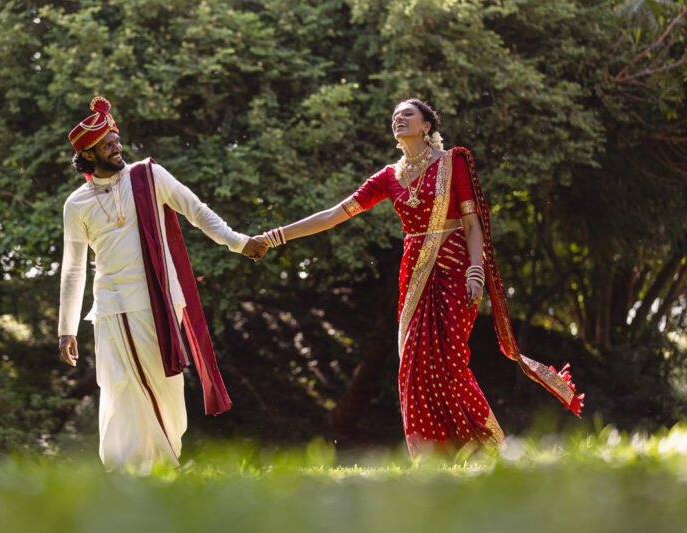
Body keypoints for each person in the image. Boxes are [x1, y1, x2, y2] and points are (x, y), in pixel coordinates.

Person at [257, 99, 583, 456]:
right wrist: (277, 236)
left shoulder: (452, 163)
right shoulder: (387, 177)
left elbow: (472, 223)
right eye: (395, 115)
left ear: (427, 125)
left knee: (450, 364)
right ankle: (431, 455)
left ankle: (487, 447)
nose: (399, 119)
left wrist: (476, 271)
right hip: (414, 277)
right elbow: (337, 213)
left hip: (455, 268)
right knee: (413, 365)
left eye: (407, 114)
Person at [58, 96, 267, 473]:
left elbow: (197, 211)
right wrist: (66, 329)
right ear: (88, 155)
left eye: (116, 141)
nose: (116, 147)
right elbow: (73, 269)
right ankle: (132, 473)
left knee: (168, 391)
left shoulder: (149, 176)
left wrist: (238, 242)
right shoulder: (76, 205)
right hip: (113, 307)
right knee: (121, 390)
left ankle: (162, 463)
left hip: (161, 303)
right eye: (107, 145)